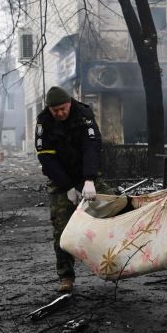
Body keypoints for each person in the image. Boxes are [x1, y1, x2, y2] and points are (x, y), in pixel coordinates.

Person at [35, 86, 108, 293]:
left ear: (70, 103)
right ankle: (66, 276)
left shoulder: (84, 115)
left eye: (62, 109)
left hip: (86, 174)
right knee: (61, 229)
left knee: (113, 208)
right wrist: (67, 187)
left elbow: (91, 147)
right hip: (60, 179)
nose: (59, 113)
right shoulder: (44, 122)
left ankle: (117, 261)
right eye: (54, 110)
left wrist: (89, 179)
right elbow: (46, 158)